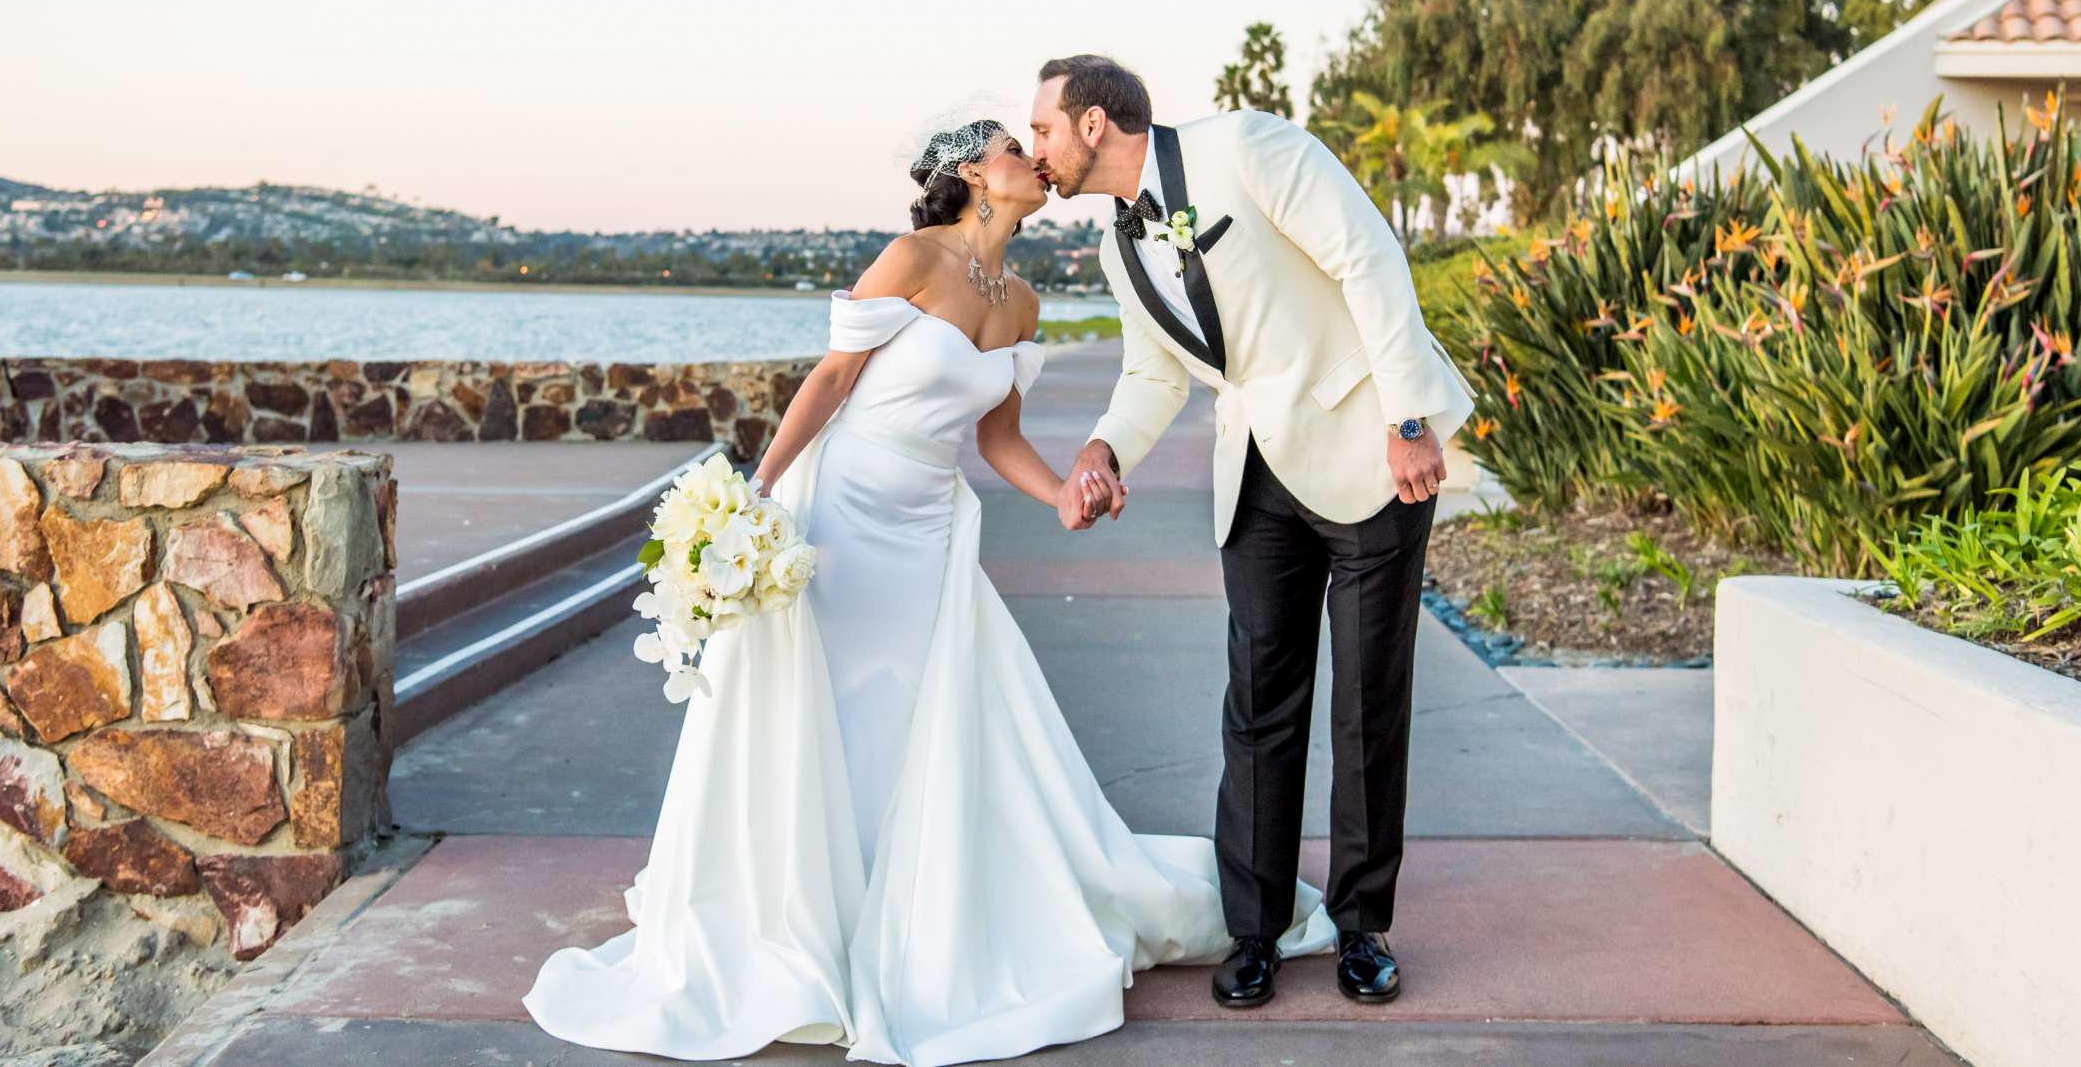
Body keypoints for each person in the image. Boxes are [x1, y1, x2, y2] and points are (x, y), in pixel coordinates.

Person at [523, 114, 1333, 1066]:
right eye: (1007, 148)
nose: (1030, 158)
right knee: (827, 714)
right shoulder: (910, 258)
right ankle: (813, 923)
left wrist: (1067, 494)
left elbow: (995, 440)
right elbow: (831, 381)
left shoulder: (1023, 302)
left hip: (930, 532)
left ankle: (904, 913)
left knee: (913, 724)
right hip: (843, 518)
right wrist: (761, 491)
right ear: (972, 179)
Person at [1029, 53, 1475, 1009]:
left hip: (1369, 449)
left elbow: (1370, 257)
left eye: (1043, 130)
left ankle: (1363, 928)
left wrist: (1408, 421)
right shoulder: (1118, 249)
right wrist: (1103, 450)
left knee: (1367, 701)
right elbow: (1156, 377)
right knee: (1258, 703)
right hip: (1255, 477)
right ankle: (1257, 930)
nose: (1039, 151)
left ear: (1094, 123)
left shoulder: (1247, 146)